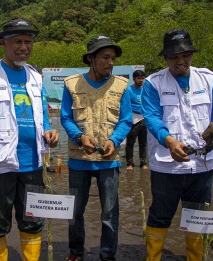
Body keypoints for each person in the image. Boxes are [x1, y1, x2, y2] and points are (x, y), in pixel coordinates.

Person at [0, 18, 59, 260]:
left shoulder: (36, 77)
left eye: (28, 42)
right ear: (3, 43)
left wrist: (49, 130)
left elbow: (42, 114)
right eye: (17, 41)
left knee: (33, 220)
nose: (23, 47)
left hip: (33, 163)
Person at [141, 28, 213, 261]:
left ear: (191, 53)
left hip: (203, 164)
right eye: (174, 56)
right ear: (165, 58)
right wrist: (169, 141)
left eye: (185, 54)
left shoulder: (208, 78)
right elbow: (151, 118)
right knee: (160, 215)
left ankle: (195, 258)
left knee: (197, 216)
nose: (181, 61)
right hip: (167, 165)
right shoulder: (153, 83)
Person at [60, 35, 132, 261]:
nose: (110, 62)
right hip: (78, 160)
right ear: (91, 58)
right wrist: (79, 137)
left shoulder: (122, 86)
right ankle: (75, 252)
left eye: (113, 58)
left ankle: (107, 255)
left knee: (110, 213)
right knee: (75, 211)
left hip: (109, 161)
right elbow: (65, 118)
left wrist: (114, 141)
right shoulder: (71, 84)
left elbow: (126, 120)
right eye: (105, 57)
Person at [32, 65, 56, 173]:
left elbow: (45, 106)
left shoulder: (43, 88)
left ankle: (47, 164)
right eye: (39, 76)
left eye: (42, 77)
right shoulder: (31, 88)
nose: (41, 79)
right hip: (34, 123)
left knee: (47, 142)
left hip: (45, 122)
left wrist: (49, 119)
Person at [125, 69, 148, 170]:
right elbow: (126, 105)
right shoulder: (129, 90)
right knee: (130, 142)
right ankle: (130, 163)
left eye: (142, 78)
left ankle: (143, 163)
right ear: (134, 79)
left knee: (143, 143)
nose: (141, 80)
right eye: (138, 78)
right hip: (133, 118)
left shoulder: (146, 89)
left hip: (144, 118)